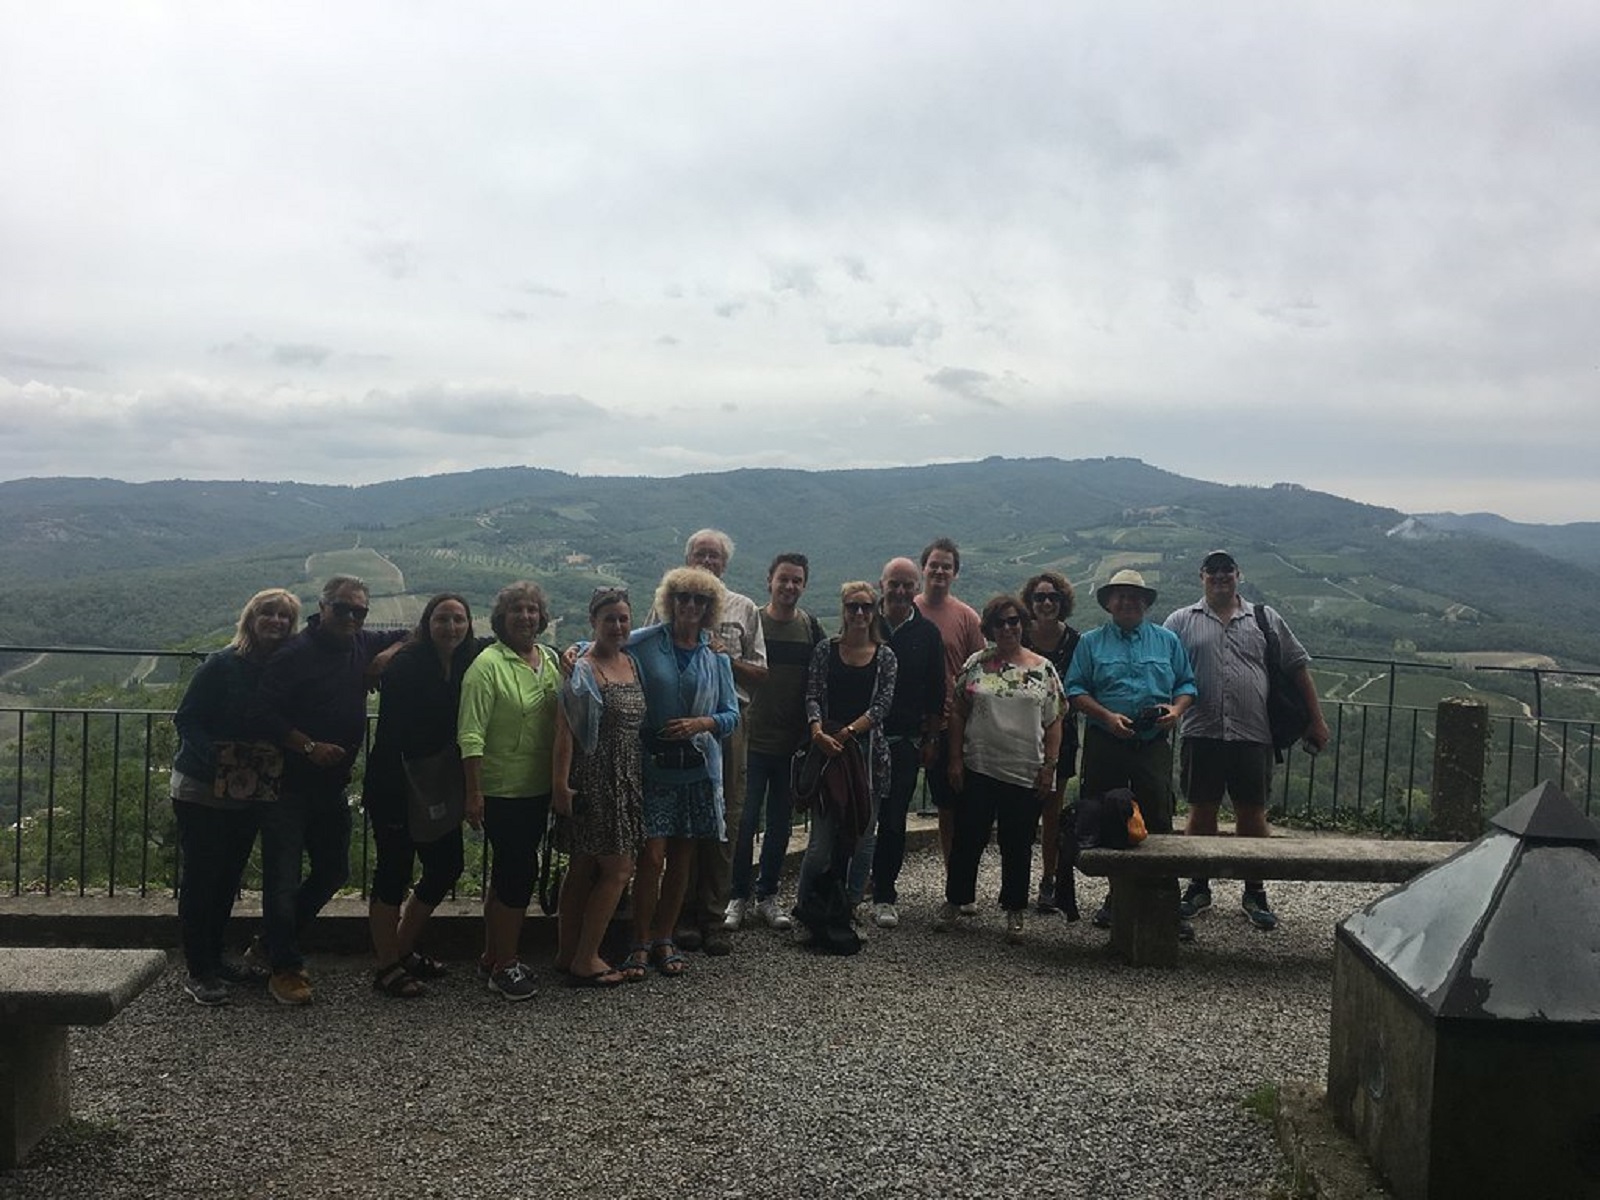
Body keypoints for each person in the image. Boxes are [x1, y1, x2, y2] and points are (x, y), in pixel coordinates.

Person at [250, 574, 408, 1006]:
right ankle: (285, 967)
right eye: (343, 608)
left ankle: (271, 943)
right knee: (282, 880)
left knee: (334, 871)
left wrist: (384, 657)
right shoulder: (294, 653)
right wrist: (308, 745)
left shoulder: (361, 642)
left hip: (331, 785)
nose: (351, 617)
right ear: (322, 608)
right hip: (288, 785)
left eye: (359, 611)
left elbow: (414, 633)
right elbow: (262, 712)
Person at [1163, 550, 1331, 931]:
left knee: (1252, 814)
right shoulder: (1179, 621)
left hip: (1253, 732)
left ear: (1239, 574)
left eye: (1227, 570)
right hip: (1201, 730)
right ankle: (1198, 885)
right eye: (1213, 571)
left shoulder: (1264, 618)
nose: (1220, 576)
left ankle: (1254, 890)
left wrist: (1316, 720)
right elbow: (1162, 668)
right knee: (1201, 812)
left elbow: (1297, 668)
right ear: (1201, 576)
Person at [169, 587, 301, 1005]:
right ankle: (198, 969)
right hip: (201, 788)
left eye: (284, 616)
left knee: (227, 878)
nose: (276, 622)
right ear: (250, 618)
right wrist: (217, 761)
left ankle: (216, 958)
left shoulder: (281, 669)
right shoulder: (221, 665)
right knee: (201, 879)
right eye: (269, 613)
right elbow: (187, 719)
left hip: (248, 792)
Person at [362, 593, 485, 998]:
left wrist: (573, 650)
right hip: (396, 779)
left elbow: (522, 642)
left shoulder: (469, 659)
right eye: (442, 619)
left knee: (446, 864)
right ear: (427, 624)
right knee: (393, 871)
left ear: (469, 625)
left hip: (439, 780)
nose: (451, 627)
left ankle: (401, 948)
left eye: (458, 620)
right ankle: (386, 965)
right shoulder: (408, 666)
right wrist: (393, 652)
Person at [1065, 568, 1197, 936]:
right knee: (1108, 818)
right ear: (1108, 602)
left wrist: (1176, 711)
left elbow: (1187, 684)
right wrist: (1106, 716)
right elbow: (1074, 690)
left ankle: (1165, 903)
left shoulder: (1167, 641)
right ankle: (1116, 898)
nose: (1128, 602)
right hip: (1106, 742)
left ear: (1145, 603)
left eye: (1135, 596)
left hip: (1153, 743)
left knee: (1158, 819)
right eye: (1120, 596)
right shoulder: (1090, 643)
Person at [628, 566, 739, 977]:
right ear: (669, 602)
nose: (690, 606)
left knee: (681, 859)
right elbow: (603, 645)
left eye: (699, 600)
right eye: (683, 598)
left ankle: (664, 937)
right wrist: (571, 652)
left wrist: (702, 724)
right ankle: (639, 940)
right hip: (653, 766)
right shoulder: (647, 644)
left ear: (709, 608)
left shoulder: (716, 656)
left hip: (696, 769)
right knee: (651, 857)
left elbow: (731, 715)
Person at [938, 595, 1065, 943]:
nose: (1008, 628)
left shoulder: (1043, 668)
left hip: (1024, 769)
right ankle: (956, 900)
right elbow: (958, 712)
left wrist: (1049, 767)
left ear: (1023, 624)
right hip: (979, 765)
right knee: (968, 839)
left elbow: (1054, 720)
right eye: (1000, 622)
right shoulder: (976, 664)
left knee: (1018, 843)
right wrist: (954, 759)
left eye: (1013, 621)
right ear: (990, 628)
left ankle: (1014, 909)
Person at [457, 581, 561, 1001]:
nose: (526, 616)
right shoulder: (486, 665)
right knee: (519, 874)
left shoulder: (548, 659)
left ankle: (491, 954)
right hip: (502, 790)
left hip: (537, 786)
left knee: (507, 872)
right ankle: (506, 965)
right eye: (517, 610)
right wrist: (474, 793)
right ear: (501, 618)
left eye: (532, 609)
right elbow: (470, 734)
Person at [670, 529, 768, 956]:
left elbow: (761, 673)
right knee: (684, 816)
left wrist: (725, 657)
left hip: (729, 724)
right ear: (688, 559)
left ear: (724, 564)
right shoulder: (671, 601)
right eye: (700, 554)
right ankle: (683, 913)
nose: (708, 561)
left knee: (724, 816)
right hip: (681, 723)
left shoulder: (743, 608)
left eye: (715, 556)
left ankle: (712, 914)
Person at [551, 586, 646, 987]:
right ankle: (586, 956)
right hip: (595, 779)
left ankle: (567, 952)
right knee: (619, 868)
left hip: (625, 777)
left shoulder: (631, 661)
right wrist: (560, 785)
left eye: (623, 618)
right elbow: (565, 730)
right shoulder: (584, 668)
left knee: (585, 865)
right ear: (594, 623)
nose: (618, 625)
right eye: (609, 619)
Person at [795, 582, 897, 928]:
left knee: (865, 836)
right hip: (827, 752)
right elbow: (812, 693)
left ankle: (849, 906)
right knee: (820, 843)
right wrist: (817, 731)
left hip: (867, 757)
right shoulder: (825, 650)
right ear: (843, 609)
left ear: (874, 611)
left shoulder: (885, 657)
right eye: (853, 606)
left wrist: (849, 732)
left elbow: (882, 705)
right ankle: (806, 907)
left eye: (866, 607)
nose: (859, 614)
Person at [730, 552, 823, 933]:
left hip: (790, 747)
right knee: (744, 820)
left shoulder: (810, 628)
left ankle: (767, 894)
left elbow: (817, 684)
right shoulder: (754, 623)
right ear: (769, 580)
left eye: (796, 580)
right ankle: (738, 894)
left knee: (781, 824)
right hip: (750, 739)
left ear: (804, 585)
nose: (789, 586)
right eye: (783, 579)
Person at [866, 557, 945, 929]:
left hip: (904, 742)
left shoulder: (927, 634)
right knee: (855, 816)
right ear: (882, 584)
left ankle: (885, 893)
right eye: (893, 584)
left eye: (907, 585)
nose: (900, 591)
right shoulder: (864, 622)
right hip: (860, 739)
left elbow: (935, 692)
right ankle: (849, 888)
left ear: (916, 590)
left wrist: (929, 740)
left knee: (894, 819)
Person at [914, 538, 986, 877]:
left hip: (946, 724)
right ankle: (875, 877)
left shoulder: (967, 617)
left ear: (955, 573)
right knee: (884, 801)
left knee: (948, 805)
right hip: (903, 721)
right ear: (923, 568)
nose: (940, 570)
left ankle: (953, 876)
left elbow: (981, 672)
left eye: (947, 565)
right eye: (934, 564)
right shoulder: (905, 609)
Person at [1020, 571, 1082, 917]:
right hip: (1021, 736)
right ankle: (1017, 881)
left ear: (1062, 603)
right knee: (1021, 810)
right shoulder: (1018, 638)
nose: (1046, 603)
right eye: (1040, 598)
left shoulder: (1076, 642)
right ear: (1030, 603)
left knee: (1052, 812)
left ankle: (1048, 881)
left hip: (1063, 738)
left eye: (1052, 598)